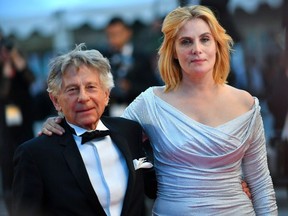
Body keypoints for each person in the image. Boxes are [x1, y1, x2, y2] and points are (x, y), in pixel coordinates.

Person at [40, 5, 277, 215]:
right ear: (173, 50)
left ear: (217, 44)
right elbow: (103, 135)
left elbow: (260, 182)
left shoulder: (246, 103)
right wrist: (61, 121)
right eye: (186, 41)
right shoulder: (150, 103)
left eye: (205, 39)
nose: (197, 49)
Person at [11, 44, 155, 216]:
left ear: (106, 94)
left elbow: (154, 188)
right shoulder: (35, 154)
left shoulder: (129, 131)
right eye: (72, 90)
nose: (83, 97)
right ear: (56, 100)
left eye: (91, 87)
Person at [0, 34, 35, 213]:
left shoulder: (19, 63)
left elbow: (32, 80)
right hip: (5, 126)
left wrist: (15, 59)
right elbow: (3, 94)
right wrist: (6, 69)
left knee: (27, 158)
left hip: (24, 122)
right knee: (8, 165)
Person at [99, 17, 160, 116]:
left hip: (137, 112)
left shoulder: (141, 57)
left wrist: (130, 87)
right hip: (110, 113)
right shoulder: (103, 57)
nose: (113, 38)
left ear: (128, 33)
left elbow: (153, 86)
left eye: (117, 34)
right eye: (110, 35)